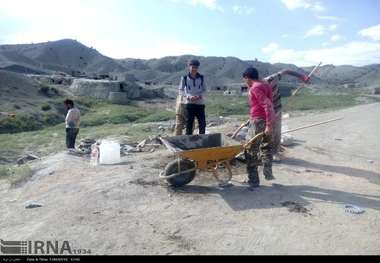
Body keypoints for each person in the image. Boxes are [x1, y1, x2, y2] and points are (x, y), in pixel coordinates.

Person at [264, 70, 310, 159]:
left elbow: (287, 71)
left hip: (277, 107)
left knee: (277, 131)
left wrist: (302, 76)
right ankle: (266, 152)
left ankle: (275, 152)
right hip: (268, 111)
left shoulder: (271, 79)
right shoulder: (256, 90)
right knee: (268, 131)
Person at [243, 67, 276, 189]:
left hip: (259, 122)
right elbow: (267, 104)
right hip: (265, 120)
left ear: (247, 77)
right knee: (266, 147)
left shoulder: (255, 87)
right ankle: (268, 174)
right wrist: (269, 123)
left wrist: (267, 125)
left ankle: (253, 181)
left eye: (245, 80)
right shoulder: (265, 85)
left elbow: (267, 105)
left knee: (250, 150)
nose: (245, 82)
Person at [179, 59, 207, 135]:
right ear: (189, 67)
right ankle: (188, 141)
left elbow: (205, 90)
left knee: (202, 123)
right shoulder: (184, 78)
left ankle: (202, 141)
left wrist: (199, 96)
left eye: (196, 67)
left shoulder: (201, 78)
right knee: (189, 124)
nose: (194, 69)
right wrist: (188, 96)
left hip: (200, 104)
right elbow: (180, 90)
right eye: (192, 67)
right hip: (190, 104)